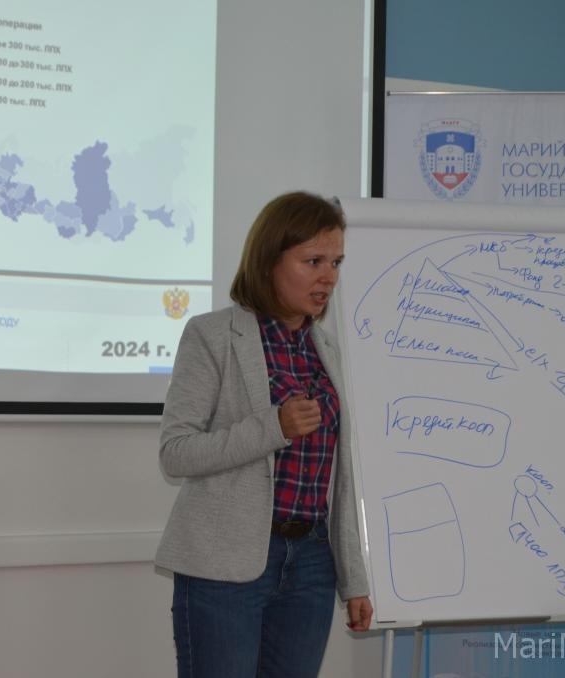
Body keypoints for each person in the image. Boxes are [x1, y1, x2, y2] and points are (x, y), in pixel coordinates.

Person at [156, 191, 373, 677]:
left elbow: (340, 479)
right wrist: (272, 427)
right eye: (313, 261)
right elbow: (177, 452)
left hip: (312, 563)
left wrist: (354, 579)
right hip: (225, 565)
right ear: (269, 261)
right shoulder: (212, 336)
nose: (329, 277)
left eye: (336, 262)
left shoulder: (329, 351)